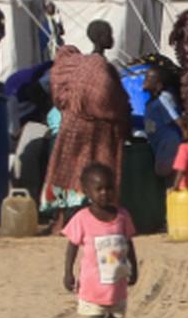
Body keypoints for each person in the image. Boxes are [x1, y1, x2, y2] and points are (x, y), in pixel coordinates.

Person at [43, 21, 128, 229]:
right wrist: (120, 114)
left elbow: (60, 88)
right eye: (108, 34)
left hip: (71, 127)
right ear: (100, 38)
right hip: (96, 130)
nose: (112, 38)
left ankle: (61, 219)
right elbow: (105, 99)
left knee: (66, 168)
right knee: (96, 170)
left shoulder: (79, 64)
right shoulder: (99, 68)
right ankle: (91, 219)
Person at [62, 162, 138, 318]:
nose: (105, 193)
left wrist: (134, 268)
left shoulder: (122, 216)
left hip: (117, 280)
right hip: (92, 282)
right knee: (95, 314)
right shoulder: (82, 219)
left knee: (118, 314)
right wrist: (68, 272)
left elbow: (129, 241)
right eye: (99, 189)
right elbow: (72, 246)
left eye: (109, 188)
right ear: (87, 192)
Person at [141, 65, 185, 179]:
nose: (145, 80)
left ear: (159, 86)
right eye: (146, 76)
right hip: (158, 144)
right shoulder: (149, 103)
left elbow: (176, 117)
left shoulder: (163, 99)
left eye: (150, 78)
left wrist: (186, 134)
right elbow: (149, 126)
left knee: (170, 174)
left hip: (169, 143)